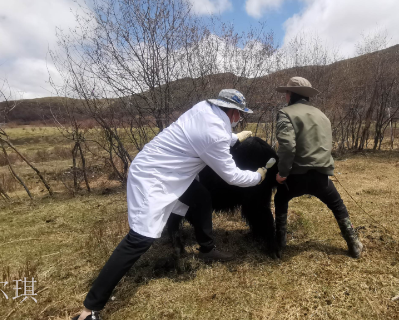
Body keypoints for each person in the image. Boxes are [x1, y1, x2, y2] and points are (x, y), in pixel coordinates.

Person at [72, 89, 268, 320]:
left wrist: (236, 137)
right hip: (153, 177)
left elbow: (212, 137)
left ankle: (207, 249)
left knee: (201, 197)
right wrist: (259, 176)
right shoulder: (213, 131)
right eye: (240, 115)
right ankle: (89, 309)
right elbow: (232, 176)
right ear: (233, 112)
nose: (239, 119)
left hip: (173, 172)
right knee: (140, 239)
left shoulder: (204, 109)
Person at [273, 77, 364, 259]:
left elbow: (288, 147)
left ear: (290, 94)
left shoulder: (285, 113)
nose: (285, 95)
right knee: (337, 205)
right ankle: (353, 243)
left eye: (286, 92)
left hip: (295, 177)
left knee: (280, 199)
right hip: (321, 176)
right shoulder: (322, 115)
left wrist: (282, 173)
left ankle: (279, 243)